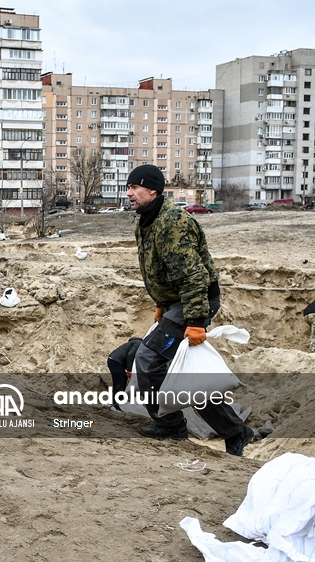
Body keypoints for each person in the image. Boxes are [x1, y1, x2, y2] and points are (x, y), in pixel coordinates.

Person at [126, 164, 253, 456]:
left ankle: (170, 423)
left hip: (195, 299)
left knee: (147, 358)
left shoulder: (171, 222)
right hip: (178, 302)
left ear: (153, 190)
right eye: (128, 188)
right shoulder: (147, 221)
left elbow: (193, 275)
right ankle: (236, 431)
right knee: (183, 373)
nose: (129, 193)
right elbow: (161, 268)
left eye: (135, 187)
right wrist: (162, 304)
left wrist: (195, 320)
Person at [107, 337, 143, 409]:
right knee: (119, 384)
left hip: (114, 361)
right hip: (116, 362)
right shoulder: (139, 344)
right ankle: (117, 406)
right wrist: (129, 370)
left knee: (122, 382)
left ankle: (119, 403)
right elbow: (130, 355)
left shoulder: (134, 343)